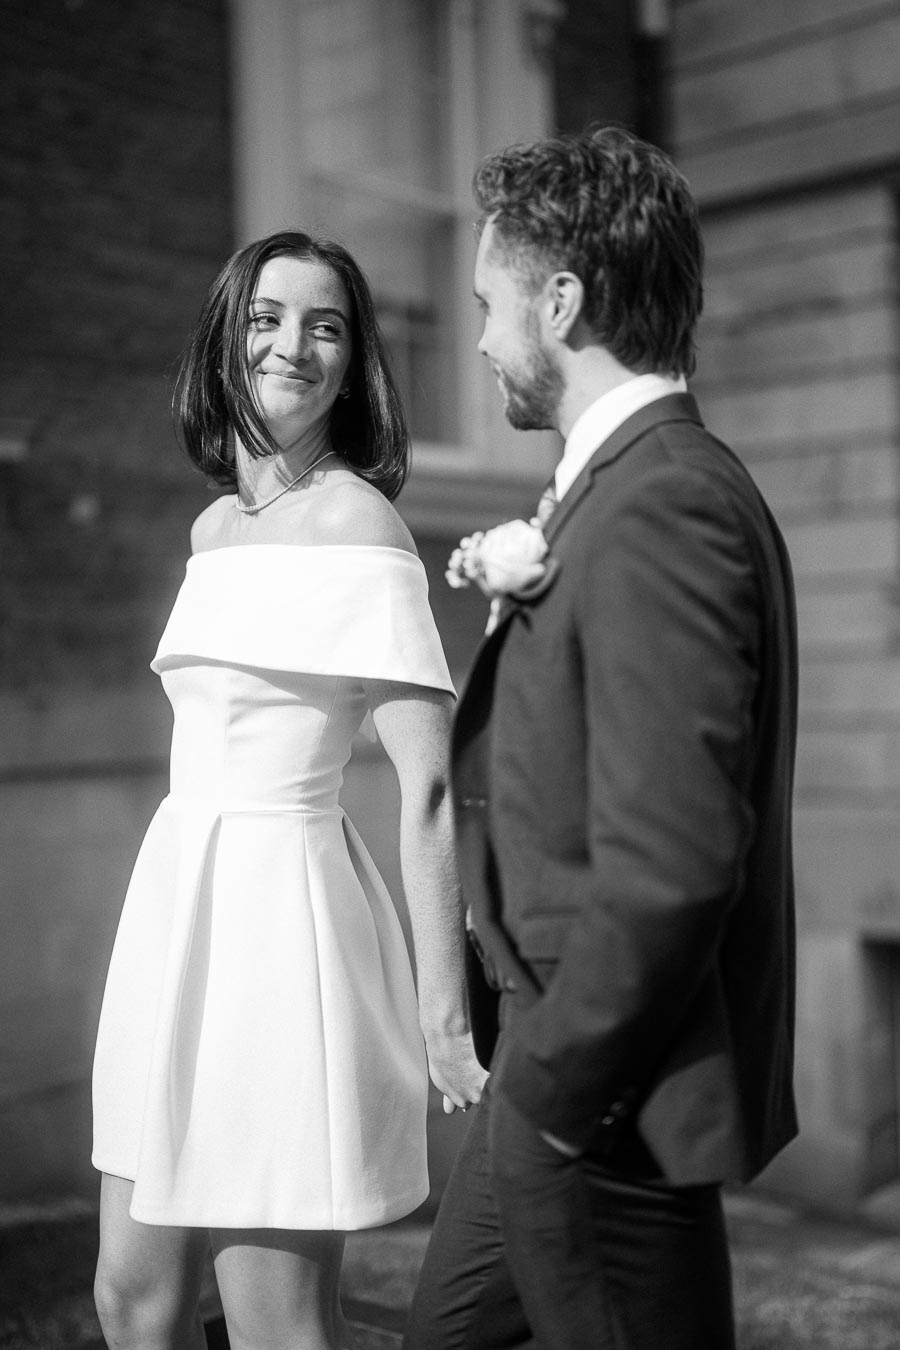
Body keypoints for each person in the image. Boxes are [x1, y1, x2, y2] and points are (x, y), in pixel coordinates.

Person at [405, 127, 798, 1350]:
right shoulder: (626, 485)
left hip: (601, 1099)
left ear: (562, 301)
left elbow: (673, 861)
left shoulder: (663, 501)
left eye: (488, 304)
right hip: (558, 1062)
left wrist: (554, 1095)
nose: (476, 338)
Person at [91, 229, 485, 1350]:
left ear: (353, 360)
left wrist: (444, 1019)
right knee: (133, 1297)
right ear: (228, 336)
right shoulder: (212, 529)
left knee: (275, 1325)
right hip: (173, 917)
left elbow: (427, 789)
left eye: (325, 325)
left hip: (279, 933)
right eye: (267, 317)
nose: (291, 345)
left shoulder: (364, 525)